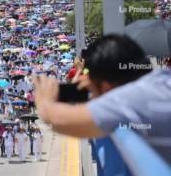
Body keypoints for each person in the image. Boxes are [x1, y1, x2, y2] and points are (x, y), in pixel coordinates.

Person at [34, 35, 171, 163]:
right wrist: (95, 85)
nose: (92, 96)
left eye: (93, 91)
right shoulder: (161, 80)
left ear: (106, 87)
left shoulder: (128, 100)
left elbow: (60, 120)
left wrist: (44, 99)